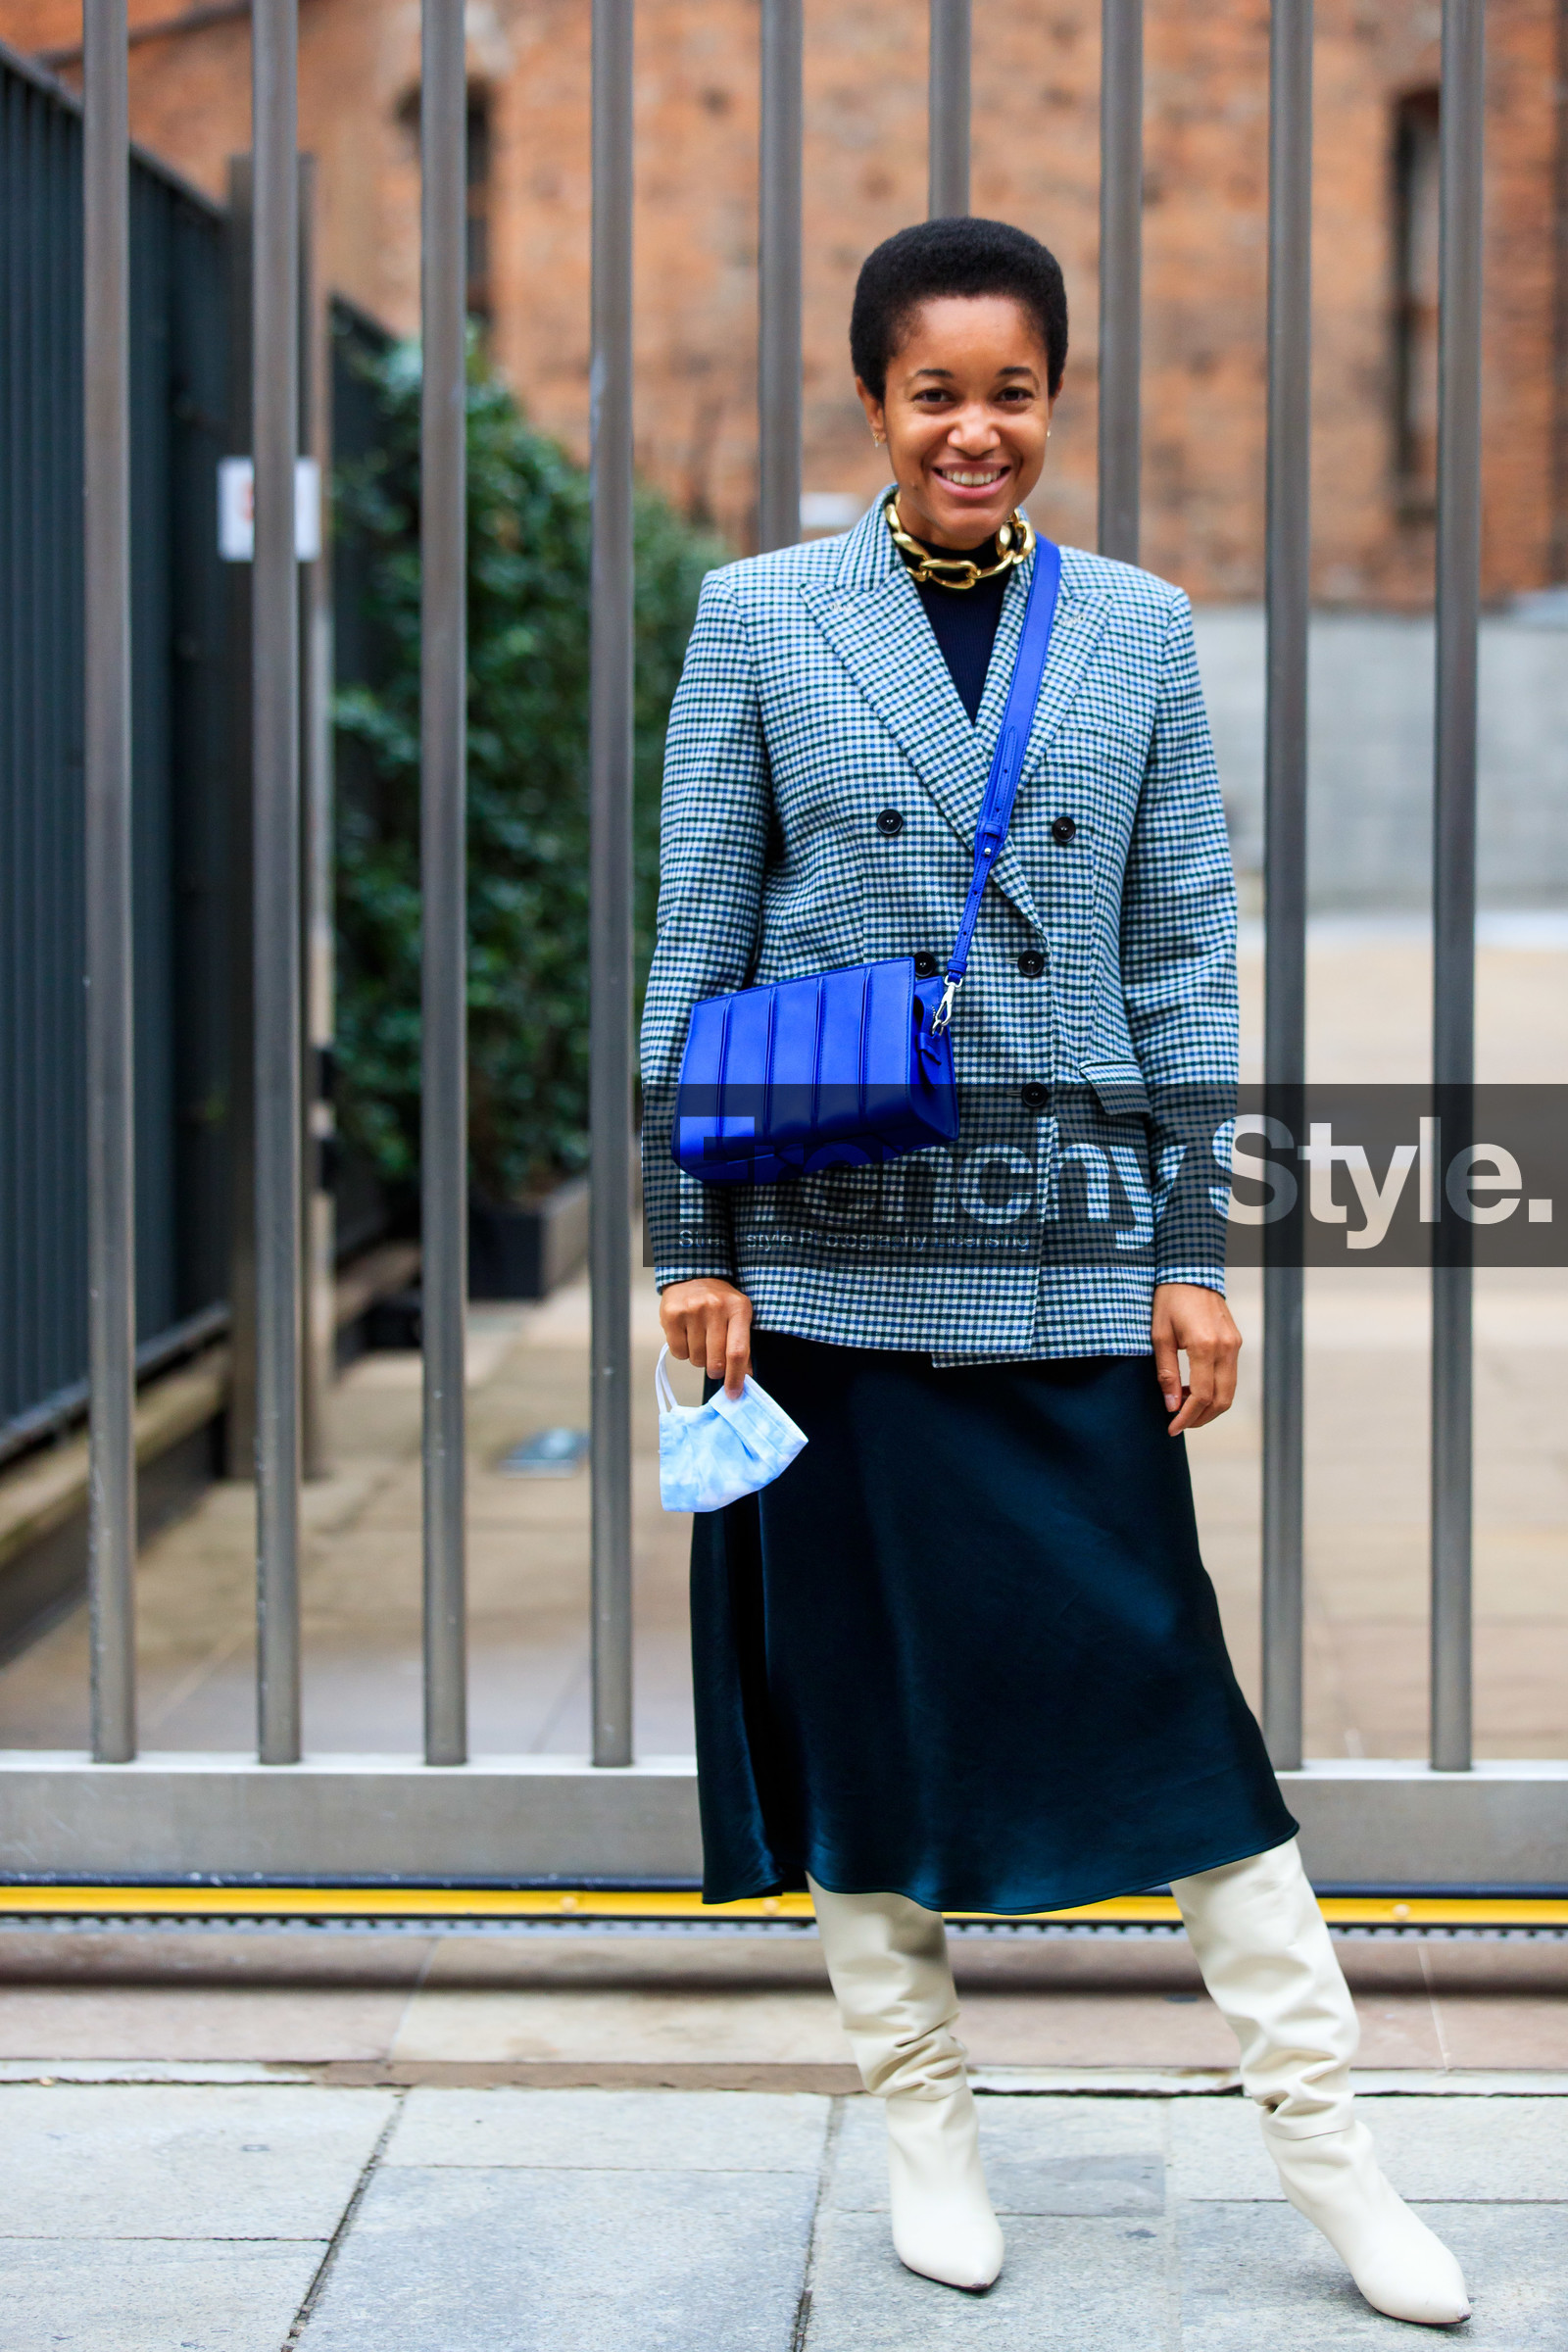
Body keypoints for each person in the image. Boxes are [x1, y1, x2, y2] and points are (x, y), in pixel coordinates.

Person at [639, 217, 1468, 2327]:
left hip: (1062, 1237)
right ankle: (920, 2120)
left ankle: (1330, 2153)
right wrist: (685, 1247)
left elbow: (1186, 953)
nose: (974, 431)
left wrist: (1190, 1249)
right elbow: (695, 946)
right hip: (823, 1245)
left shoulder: (1133, 632)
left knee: (1158, 1681)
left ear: (1054, 399)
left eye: (1011, 391)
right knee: (859, 1684)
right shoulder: (755, 617)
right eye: (936, 393)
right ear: (870, 405)